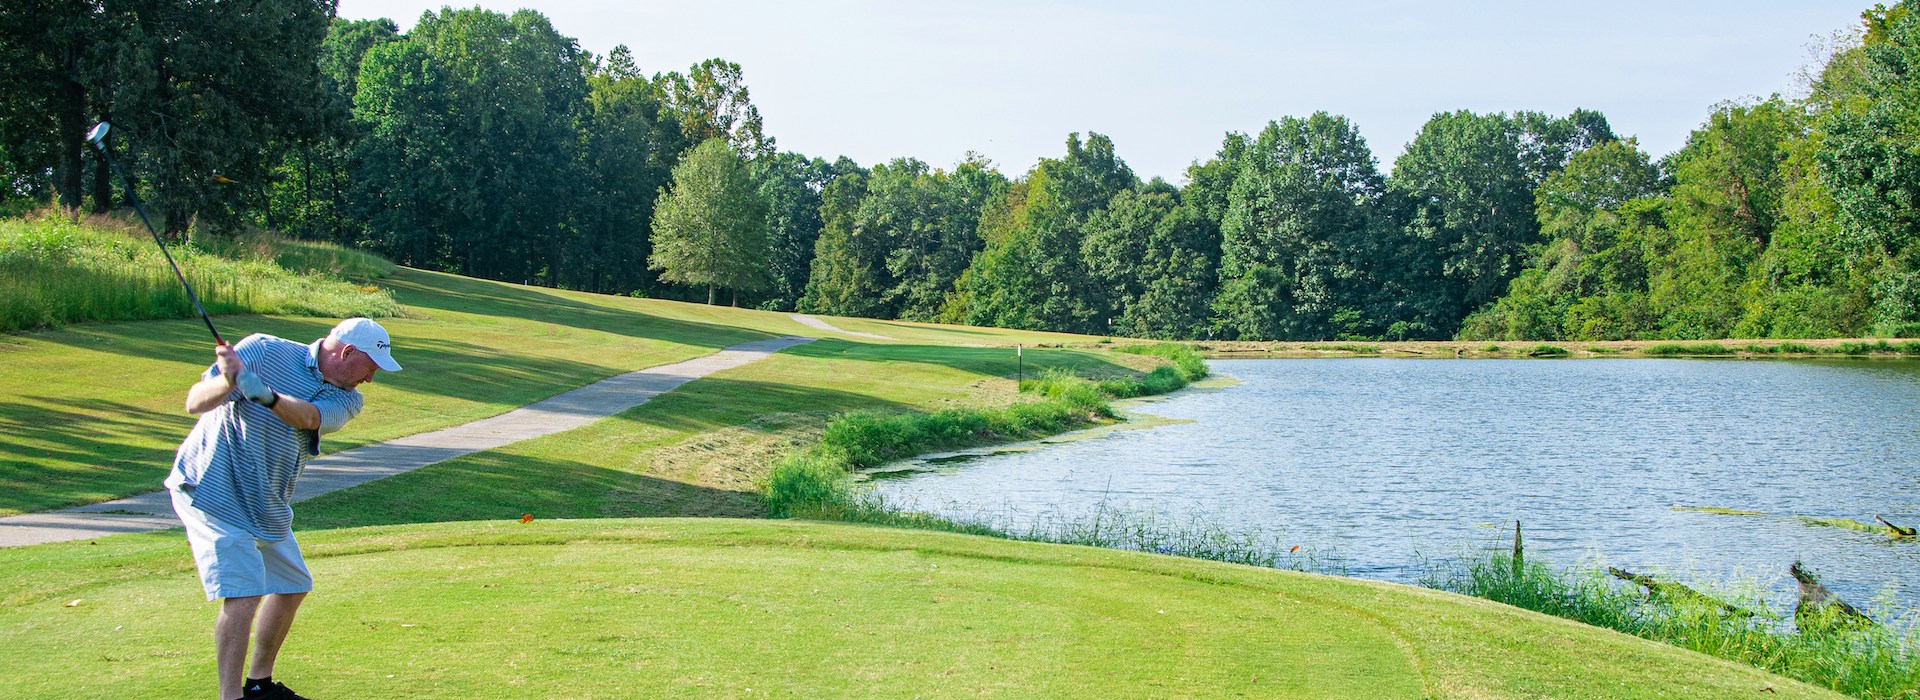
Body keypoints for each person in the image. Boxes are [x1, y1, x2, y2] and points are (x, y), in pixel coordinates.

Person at [167, 318, 401, 700]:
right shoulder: (263, 350)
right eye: (370, 367)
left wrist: (266, 396)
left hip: (266, 503)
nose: (370, 379)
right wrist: (228, 381)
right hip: (212, 491)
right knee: (244, 594)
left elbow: (308, 417)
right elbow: (196, 402)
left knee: (293, 585)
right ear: (346, 352)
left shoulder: (348, 399)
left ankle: (259, 686)